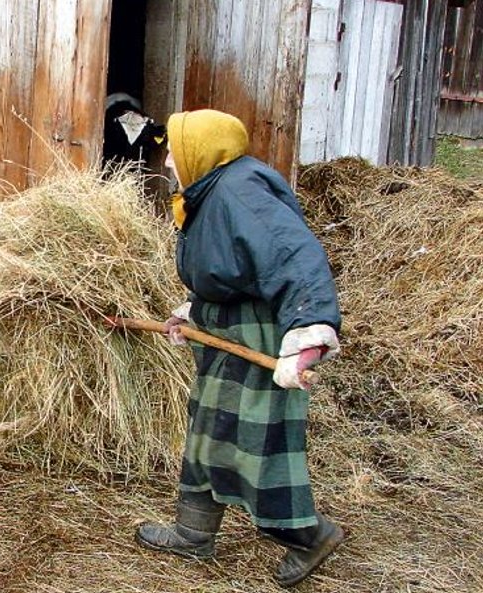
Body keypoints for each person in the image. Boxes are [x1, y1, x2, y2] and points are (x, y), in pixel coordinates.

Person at [134, 109, 344, 588]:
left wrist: (308, 336)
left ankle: (309, 536)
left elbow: (295, 256)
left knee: (255, 441)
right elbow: (229, 267)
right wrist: (191, 312)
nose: (167, 162)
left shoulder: (239, 190)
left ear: (199, 149)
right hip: (227, 330)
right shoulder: (212, 193)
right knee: (209, 429)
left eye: (174, 151)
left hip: (258, 337)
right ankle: (194, 530)